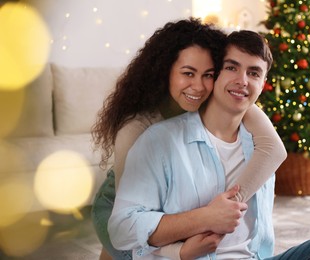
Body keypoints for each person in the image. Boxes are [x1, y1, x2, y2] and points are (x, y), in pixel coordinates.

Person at [108, 30, 310, 259]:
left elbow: (274, 150)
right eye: (232, 67)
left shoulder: (260, 146)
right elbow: (122, 228)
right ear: (215, 74)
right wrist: (205, 219)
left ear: (263, 83)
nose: (242, 81)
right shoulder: (158, 140)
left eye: (254, 73)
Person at [91, 18, 287, 260]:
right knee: (130, 252)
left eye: (208, 74)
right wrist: (181, 249)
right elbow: (129, 218)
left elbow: (274, 149)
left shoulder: (231, 97)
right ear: (166, 71)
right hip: (114, 201)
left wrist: (227, 206)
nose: (198, 87)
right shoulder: (138, 130)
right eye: (188, 73)